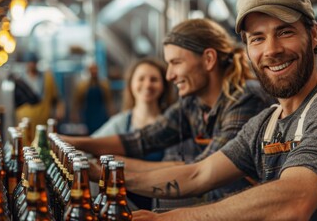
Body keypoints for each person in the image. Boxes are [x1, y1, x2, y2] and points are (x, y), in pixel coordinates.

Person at [127, 0, 317, 220]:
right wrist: (104, 173)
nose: (272, 50)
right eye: (257, 38)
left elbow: (294, 200)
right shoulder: (265, 124)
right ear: (247, 50)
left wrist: (168, 218)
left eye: (285, 32)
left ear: (313, 35)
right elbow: (198, 174)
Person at [62, 18, 274, 204]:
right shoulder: (193, 104)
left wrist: (105, 172)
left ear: (209, 59)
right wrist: (72, 142)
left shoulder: (245, 99)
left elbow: (200, 172)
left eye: (176, 63)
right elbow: (142, 139)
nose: (170, 75)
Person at [91, 58, 176, 209]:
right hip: (127, 208)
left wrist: (123, 163)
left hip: (164, 208)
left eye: (154, 79)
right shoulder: (121, 122)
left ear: (164, 85)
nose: (147, 84)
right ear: (131, 84)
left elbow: (182, 169)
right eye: (141, 79)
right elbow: (90, 149)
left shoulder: (175, 124)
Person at [15, 52, 65, 142]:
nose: (31, 65)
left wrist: (59, 110)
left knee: (42, 143)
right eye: (29, 62)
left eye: (33, 62)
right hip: (25, 120)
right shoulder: (19, 79)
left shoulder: (47, 78)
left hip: (43, 119)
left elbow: (56, 97)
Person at [72, 62, 114, 134]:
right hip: (89, 114)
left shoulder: (104, 84)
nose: (94, 71)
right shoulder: (82, 86)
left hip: (101, 114)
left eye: (95, 69)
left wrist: (111, 113)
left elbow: (109, 101)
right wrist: (75, 114)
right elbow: (77, 102)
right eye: (92, 69)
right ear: (88, 71)